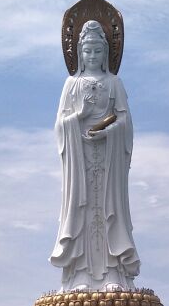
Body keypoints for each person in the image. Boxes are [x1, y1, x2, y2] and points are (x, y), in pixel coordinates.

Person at [50, 19, 140, 291]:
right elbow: (60, 125)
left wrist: (109, 132)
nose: (92, 56)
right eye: (87, 51)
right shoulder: (71, 84)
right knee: (83, 209)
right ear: (79, 53)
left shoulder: (114, 83)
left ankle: (113, 272)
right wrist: (80, 116)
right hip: (80, 162)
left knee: (107, 209)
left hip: (108, 161)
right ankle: (79, 274)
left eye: (97, 51)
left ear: (106, 53)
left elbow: (125, 122)